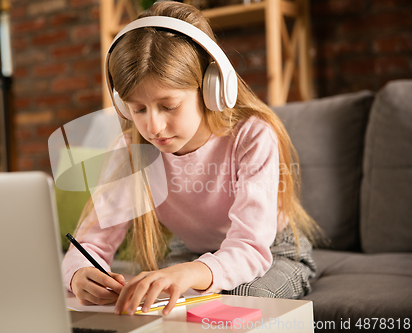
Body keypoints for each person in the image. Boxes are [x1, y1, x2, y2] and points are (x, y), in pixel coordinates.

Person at [62, 0, 321, 316]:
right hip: (191, 253)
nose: (153, 127)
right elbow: (90, 243)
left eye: (168, 106)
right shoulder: (131, 150)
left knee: (243, 299)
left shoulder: (252, 136)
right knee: (153, 302)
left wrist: (186, 274)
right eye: (138, 109)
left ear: (211, 88)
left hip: (271, 250)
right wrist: (78, 275)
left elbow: (249, 247)